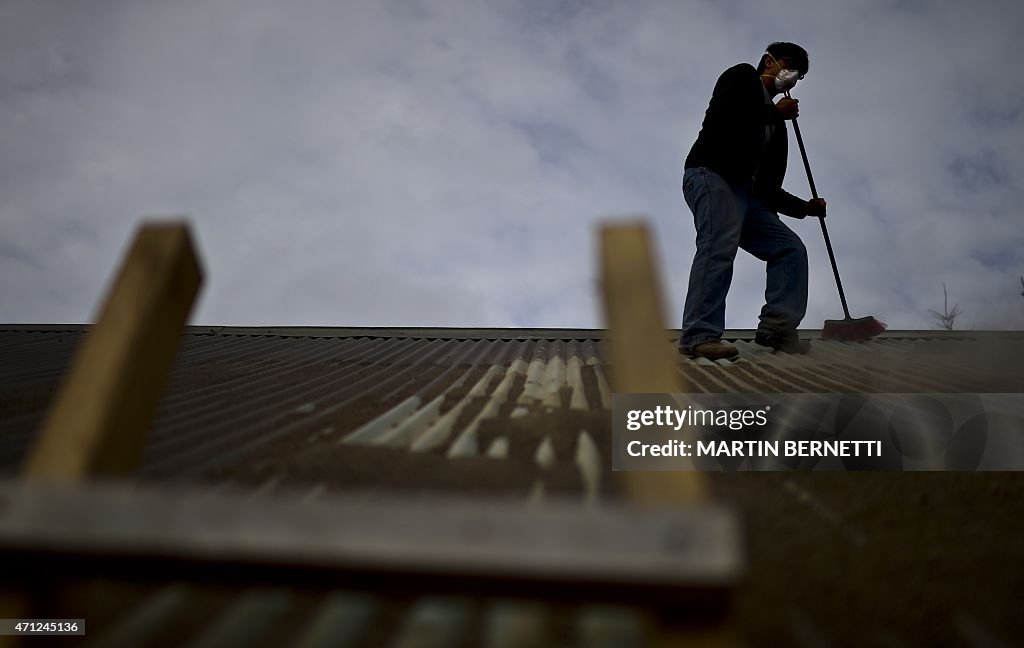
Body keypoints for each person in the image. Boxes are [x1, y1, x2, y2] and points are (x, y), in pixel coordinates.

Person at [679, 42, 827, 360]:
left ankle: (777, 328)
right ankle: (699, 334)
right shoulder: (742, 77)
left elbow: (769, 188)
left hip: (748, 195)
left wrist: (803, 207)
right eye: (789, 66)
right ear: (768, 62)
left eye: (798, 74)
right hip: (712, 174)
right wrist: (774, 114)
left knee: (789, 248)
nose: (792, 76)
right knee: (719, 245)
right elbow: (725, 116)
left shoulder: (779, 132)